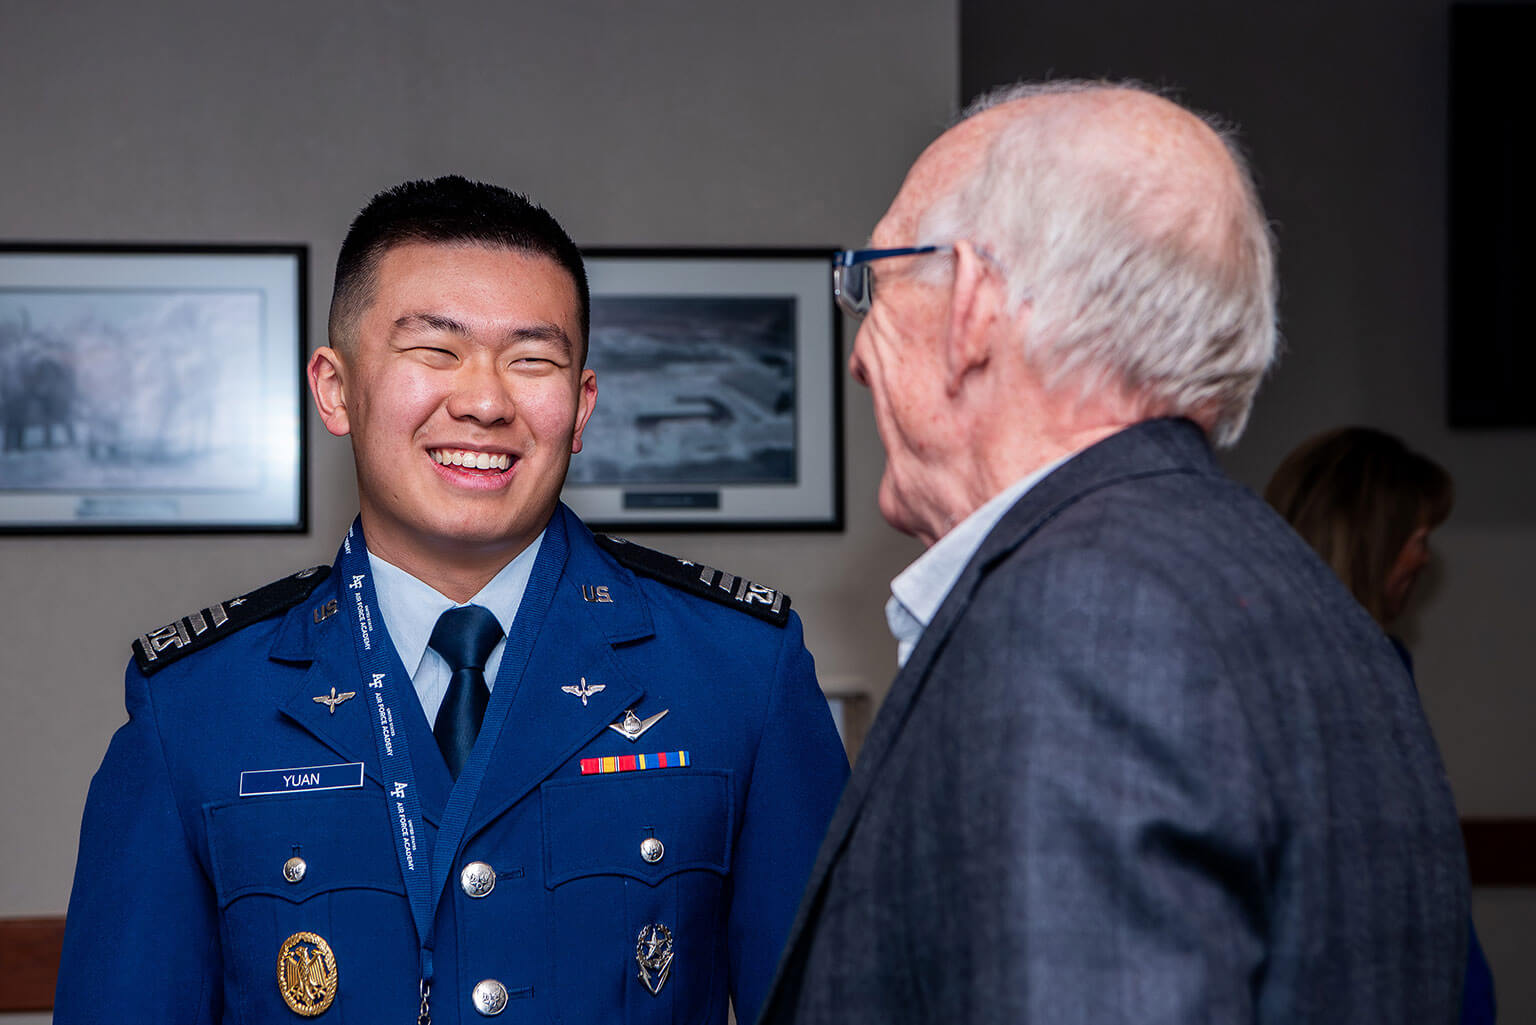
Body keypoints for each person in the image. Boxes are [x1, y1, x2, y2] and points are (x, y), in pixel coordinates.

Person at [55, 176, 848, 1024]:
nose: (483, 400)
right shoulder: (197, 707)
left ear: (580, 407)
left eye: (532, 358)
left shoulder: (736, 672)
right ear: (335, 389)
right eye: (435, 350)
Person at [759, 81, 1469, 1024]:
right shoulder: (1311, 603)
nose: (856, 356)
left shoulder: (1076, 623)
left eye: (874, 282)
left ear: (972, 303)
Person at [1266, 425, 1496, 1024]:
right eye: (1416, 538)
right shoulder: (1323, 683)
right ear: (1369, 540)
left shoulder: (1373, 667)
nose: (1423, 558)